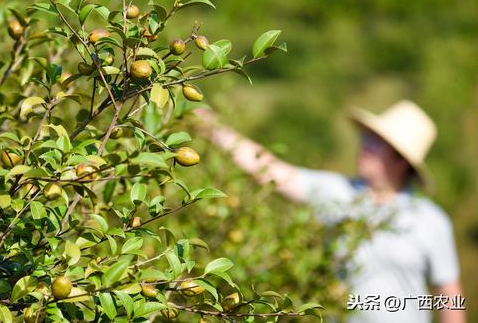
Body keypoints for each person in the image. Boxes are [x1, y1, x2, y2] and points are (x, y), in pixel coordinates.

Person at [195, 100, 465, 323]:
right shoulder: (339, 193)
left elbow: (450, 296)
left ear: (401, 160)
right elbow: (271, 171)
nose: (364, 146)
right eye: (367, 138)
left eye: (376, 142)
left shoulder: (430, 220)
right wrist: (212, 127)